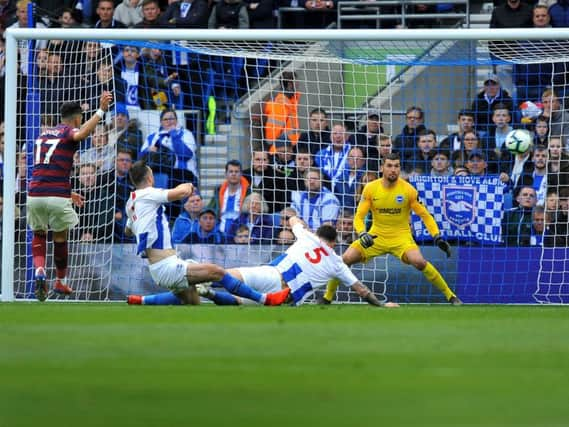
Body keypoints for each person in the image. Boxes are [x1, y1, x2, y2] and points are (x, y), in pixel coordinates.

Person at [131, 215, 400, 307]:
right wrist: (382, 304)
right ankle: (207, 292)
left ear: (319, 235)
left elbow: (292, 218)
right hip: (289, 297)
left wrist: (299, 223)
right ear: (333, 243)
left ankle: (197, 285)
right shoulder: (338, 262)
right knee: (237, 301)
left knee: (221, 274)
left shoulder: (306, 236)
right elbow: (362, 291)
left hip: (271, 275)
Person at [124, 160, 290, 306]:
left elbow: (128, 230)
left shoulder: (131, 202)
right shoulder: (149, 194)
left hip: (160, 267)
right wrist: (188, 186)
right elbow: (181, 193)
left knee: (190, 295)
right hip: (166, 266)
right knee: (217, 272)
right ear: (149, 178)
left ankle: (142, 300)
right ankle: (266, 299)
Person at [321, 153, 462, 305]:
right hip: (376, 236)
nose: (393, 169)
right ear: (382, 168)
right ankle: (327, 297)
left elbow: (425, 215)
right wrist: (362, 233)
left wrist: (437, 236)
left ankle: (451, 296)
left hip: (401, 237)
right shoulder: (370, 188)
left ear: (400, 168)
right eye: (389, 166)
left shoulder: (408, 190)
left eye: (396, 166)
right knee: (344, 260)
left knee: (419, 262)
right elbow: (359, 217)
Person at [27, 91, 112, 301]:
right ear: (76, 118)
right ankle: (61, 282)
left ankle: (39, 270)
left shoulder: (43, 135)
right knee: (59, 238)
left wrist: (68, 192)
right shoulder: (68, 131)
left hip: (35, 192)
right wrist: (101, 110)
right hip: (56, 196)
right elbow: (80, 135)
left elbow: (47, 168)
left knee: (39, 234)